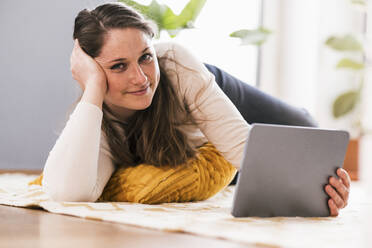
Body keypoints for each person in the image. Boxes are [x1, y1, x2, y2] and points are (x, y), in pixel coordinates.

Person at [41, 2, 350, 216]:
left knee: (305, 127)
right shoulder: (94, 114)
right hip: (187, 132)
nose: (139, 78)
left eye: (146, 57)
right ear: (90, 71)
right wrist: (93, 87)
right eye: (119, 66)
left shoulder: (173, 65)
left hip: (213, 92)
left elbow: (245, 149)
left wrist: (318, 191)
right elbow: (69, 192)